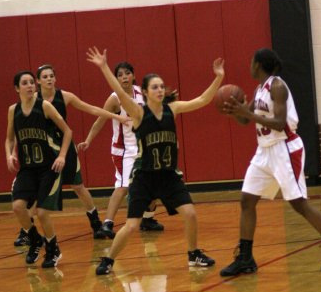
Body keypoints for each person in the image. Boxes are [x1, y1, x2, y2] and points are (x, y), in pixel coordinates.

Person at [85, 46, 225, 275]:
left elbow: (203, 99)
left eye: (161, 86)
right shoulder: (139, 113)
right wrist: (103, 67)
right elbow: (119, 94)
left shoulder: (173, 108)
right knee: (131, 225)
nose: (160, 90)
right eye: (155, 87)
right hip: (145, 176)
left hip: (168, 174)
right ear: (146, 92)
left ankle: (193, 254)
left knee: (190, 213)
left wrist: (218, 77)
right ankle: (109, 259)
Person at [220, 48, 321, 276]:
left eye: (251, 62)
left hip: (285, 149)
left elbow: (280, 123)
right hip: (264, 151)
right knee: (246, 200)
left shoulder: (277, 86)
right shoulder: (259, 88)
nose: (249, 66)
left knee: (298, 203)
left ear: (259, 64)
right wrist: (233, 110)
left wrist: (248, 114)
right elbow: (244, 119)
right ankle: (245, 258)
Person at [13, 63, 129, 247]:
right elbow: (19, 129)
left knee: (78, 186)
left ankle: (96, 223)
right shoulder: (32, 100)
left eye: (52, 76)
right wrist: (13, 152)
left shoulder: (65, 96)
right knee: (37, 192)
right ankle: (26, 231)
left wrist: (117, 117)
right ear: (38, 81)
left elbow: (91, 109)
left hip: (64, 148)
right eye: (45, 76)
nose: (49, 79)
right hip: (44, 153)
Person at [78, 61, 164, 235]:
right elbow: (99, 120)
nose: (124, 77)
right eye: (120, 75)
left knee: (158, 182)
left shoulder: (142, 93)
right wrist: (88, 140)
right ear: (116, 78)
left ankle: (147, 218)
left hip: (143, 146)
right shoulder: (114, 99)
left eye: (127, 73)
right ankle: (107, 224)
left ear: (133, 75)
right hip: (123, 150)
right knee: (123, 186)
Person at [6, 70, 72, 268]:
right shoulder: (13, 110)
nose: (29, 86)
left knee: (42, 212)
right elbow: (9, 138)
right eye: (24, 83)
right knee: (18, 206)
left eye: (30, 83)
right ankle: (35, 239)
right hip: (27, 169)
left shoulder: (44, 106)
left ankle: (53, 248)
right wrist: (9, 154)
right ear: (17, 88)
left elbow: (68, 131)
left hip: (47, 167)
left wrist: (62, 156)